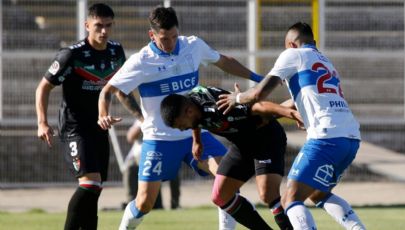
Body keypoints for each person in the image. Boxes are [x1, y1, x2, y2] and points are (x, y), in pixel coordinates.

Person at [97, 6, 266, 230]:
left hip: (197, 131)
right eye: (164, 38)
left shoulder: (192, 46)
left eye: (174, 36)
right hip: (160, 140)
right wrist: (111, 115)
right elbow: (110, 90)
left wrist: (258, 78)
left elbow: (223, 61)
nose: (171, 43)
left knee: (227, 181)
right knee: (145, 202)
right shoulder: (142, 61)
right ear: (152, 35)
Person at [217, 22, 366, 230]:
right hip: (350, 138)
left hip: (325, 138)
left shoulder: (292, 55)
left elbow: (259, 93)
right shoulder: (326, 61)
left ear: (290, 44)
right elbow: (301, 99)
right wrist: (273, 114)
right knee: (317, 193)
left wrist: (238, 97)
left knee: (290, 199)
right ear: (313, 42)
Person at [35, 3, 128, 229]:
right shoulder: (72, 55)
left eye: (108, 26)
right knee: (90, 183)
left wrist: (141, 117)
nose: (104, 31)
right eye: (98, 26)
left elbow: (121, 88)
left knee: (95, 189)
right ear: (87, 25)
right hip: (75, 128)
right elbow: (43, 88)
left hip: (99, 128)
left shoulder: (116, 52)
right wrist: (42, 123)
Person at [160, 85, 303, 229]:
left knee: (268, 194)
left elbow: (261, 106)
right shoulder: (191, 104)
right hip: (242, 144)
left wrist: (291, 113)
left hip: (266, 139)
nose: (181, 129)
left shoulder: (221, 108)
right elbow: (195, 121)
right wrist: (197, 141)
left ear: (189, 112)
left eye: (181, 125)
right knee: (220, 195)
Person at [123, 120, 181, 210]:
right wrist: (142, 125)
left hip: (162, 153)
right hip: (139, 155)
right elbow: (130, 137)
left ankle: (175, 204)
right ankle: (131, 203)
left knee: (173, 170)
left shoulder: (165, 119)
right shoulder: (142, 118)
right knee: (130, 166)